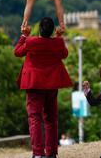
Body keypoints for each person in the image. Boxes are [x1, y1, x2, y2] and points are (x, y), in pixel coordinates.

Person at [14, 17, 73, 158]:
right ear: (53, 30)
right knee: (51, 118)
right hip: (52, 85)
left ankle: (38, 154)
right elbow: (64, 55)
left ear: (39, 29)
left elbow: (17, 52)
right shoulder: (58, 42)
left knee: (35, 118)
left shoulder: (30, 41)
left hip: (34, 85)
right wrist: (58, 37)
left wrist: (24, 35)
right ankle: (52, 153)